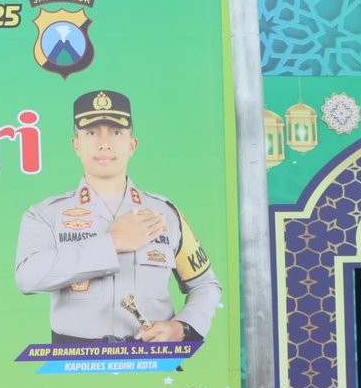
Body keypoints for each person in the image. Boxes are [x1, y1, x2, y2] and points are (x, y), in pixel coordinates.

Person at [14, 90, 221, 344]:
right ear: (76, 145)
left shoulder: (166, 213)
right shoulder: (45, 214)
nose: (104, 143)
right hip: (73, 360)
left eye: (116, 132)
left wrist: (182, 327)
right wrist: (111, 243)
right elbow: (27, 278)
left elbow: (205, 284)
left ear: (132, 145)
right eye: (92, 133)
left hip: (152, 359)